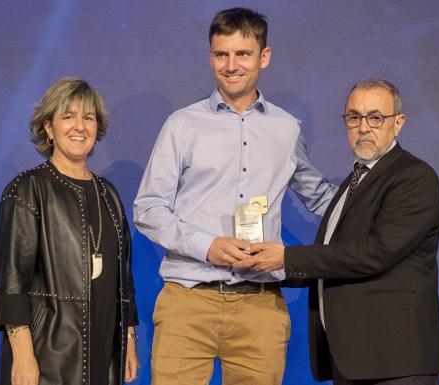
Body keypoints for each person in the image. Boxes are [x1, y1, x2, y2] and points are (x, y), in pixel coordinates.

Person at [133, 7, 336, 385]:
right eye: (220, 54)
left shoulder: (286, 129)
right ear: (210, 57)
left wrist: (380, 205)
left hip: (260, 303)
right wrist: (208, 246)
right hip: (188, 301)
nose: (231, 65)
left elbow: (323, 197)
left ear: (264, 56)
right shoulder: (182, 125)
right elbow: (149, 208)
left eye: (242, 54)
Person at [237, 79, 439, 384]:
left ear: (398, 123)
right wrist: (268, 270)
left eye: (376, 117)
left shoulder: (414, 177)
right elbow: (339, 259)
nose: (363, 127)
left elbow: (375, 253)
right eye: (354, 117)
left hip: (395, 361)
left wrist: (285, 259)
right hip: (354, 359)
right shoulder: (355, 181)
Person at [0, 77, 139, 385]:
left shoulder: (108, 194)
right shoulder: (28, 189)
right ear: (48, 127)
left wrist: (129, 340)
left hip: (104, 354)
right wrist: (23, 356)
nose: (79, 126)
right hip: (48, 357)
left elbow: (123, 279)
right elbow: (11, 282)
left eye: (88, 117)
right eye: (68, 116)